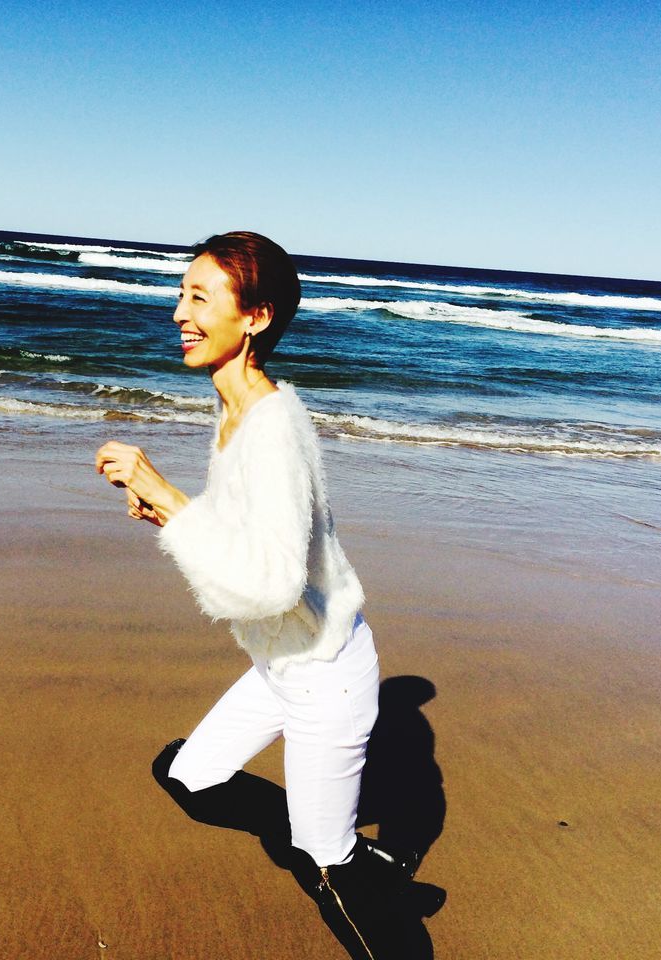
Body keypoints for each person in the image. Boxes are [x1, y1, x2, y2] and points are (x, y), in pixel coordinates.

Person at [95, 232, 404, 959]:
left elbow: (270, 584)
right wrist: (173, 515)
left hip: (323, 675)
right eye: (181, 294)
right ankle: (331, 843)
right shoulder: (234, 410)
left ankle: (341, 860)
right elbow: (247, 547)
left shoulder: (270, 427)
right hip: (279, 661)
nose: (179, 312)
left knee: (327, 879)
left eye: (200, 297)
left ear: (256, 317)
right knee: (184, 774)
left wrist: (169, 499)